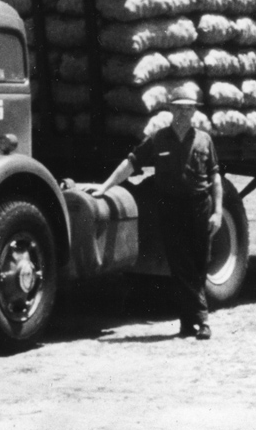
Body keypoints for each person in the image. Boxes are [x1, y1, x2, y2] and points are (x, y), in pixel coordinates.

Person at [96, 84, 223, 340]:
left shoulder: (204, 140)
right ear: (170, 110)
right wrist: (105, 186)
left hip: (200, 207)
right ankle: (203, 320)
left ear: (194, 112)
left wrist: (218, 211)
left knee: (199, 264)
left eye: (188, 109)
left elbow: (216, 177)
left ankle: (187, 323)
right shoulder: (159, 139)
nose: (183, 114)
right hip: (170, 207)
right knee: (179, 264)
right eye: (179, 109)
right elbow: (131, 163)